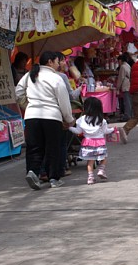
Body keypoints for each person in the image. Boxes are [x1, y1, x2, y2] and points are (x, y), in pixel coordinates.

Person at [15, 51, 74, 190]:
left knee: (34, 148)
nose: (59, 64)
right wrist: (69, 119)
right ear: (50, 62)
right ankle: (54, 178)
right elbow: (64, 101)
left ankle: (32, 173)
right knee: (53, 148)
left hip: (31, 116)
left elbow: (18, 92)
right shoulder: (56, 78)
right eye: (57, 61)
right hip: (51, 117)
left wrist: (27, 105)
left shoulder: (30, 75)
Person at [68, 97, 124, 185]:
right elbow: (106, 131)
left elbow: (78, 131)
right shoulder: (102, 120)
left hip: (88, 142)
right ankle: (101, 170)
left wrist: (69, 127)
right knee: (104, 157)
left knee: (90, 161)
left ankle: (90, 178)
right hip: (100, 142)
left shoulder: (81, 120)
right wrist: (113, 129)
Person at [116, 52, 134, 121]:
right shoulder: (127, 65)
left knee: (127, 102)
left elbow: (121, 78)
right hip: (129, 85)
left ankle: (127, 116)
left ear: (120, 60)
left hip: (126, 86)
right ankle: (130, 115)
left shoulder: (123, 67)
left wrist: (118, 87)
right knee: (129, 102)